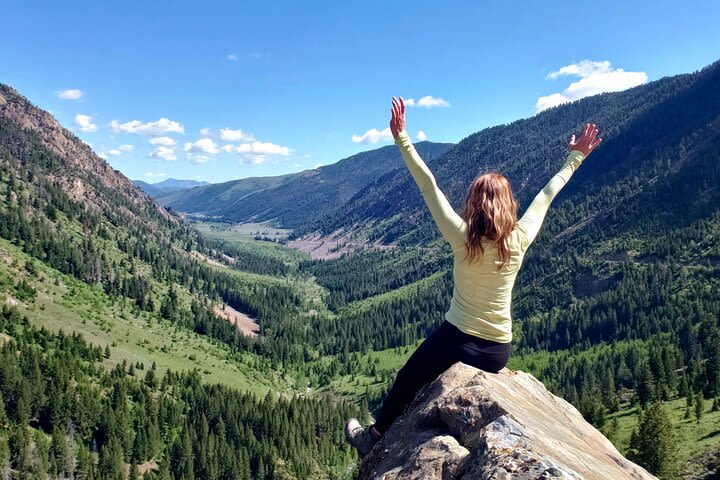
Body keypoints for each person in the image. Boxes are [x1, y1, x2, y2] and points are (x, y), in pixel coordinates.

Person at [345, 97, 603, 457]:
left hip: (455, 341)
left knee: (408, 379)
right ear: (508, 204)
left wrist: (402, 138)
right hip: (498, 351)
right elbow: (547, 194)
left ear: (472, 203)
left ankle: (372, 439)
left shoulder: (461, 237)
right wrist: (576, 156)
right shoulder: (519, 239)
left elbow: (428, 185)